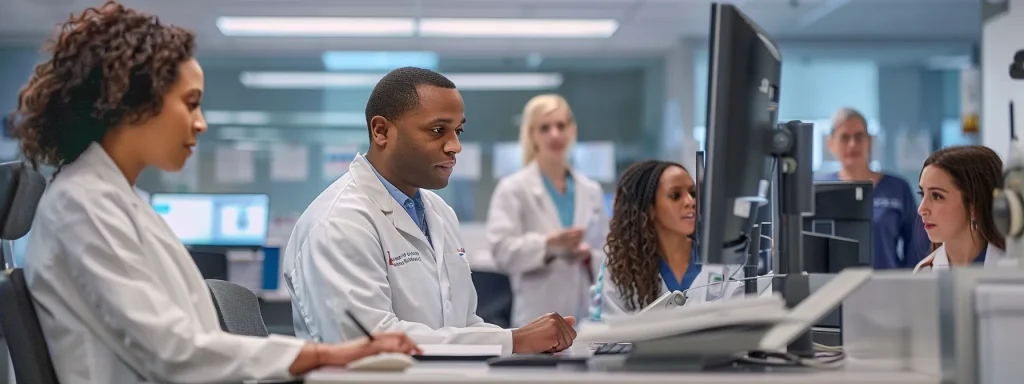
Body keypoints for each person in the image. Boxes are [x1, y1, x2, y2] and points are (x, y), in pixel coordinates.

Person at [7, 3, 420, 383]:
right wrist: (322, 355)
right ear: (130, 101)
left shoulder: (112, 199)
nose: (201, 123)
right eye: (190, 104)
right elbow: (175, 352)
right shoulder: (83, 205)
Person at [283, 67, 577, 356]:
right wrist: (513, 341)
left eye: (458, 130)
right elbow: (370, 344)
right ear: (381, 131)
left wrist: (521, 340)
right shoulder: (337, 222)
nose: (455, 146)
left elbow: (463, 324)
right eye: (438, 130)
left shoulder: (439, 213)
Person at [484, 94, 609, 327]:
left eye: (561, 126)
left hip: (585, 310)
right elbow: (501, 251)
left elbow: (606, 249)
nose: (555, 134)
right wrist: (548, 246)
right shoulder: (513, 188)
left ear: (572, 130)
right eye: (545, 127)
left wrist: (588, 254)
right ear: (532, 134)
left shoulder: (590, 190)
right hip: (535, 314)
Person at [589, 160, 750, 321]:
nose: (690, 202)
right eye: (675, 196)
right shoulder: (621, 268)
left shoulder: (721, 261)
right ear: (649, 209)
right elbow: (612, 335)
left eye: (693, 194)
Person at [821, 107, 928, 269]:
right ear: (831, 144)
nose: (852, 144)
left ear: (869, 140)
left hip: (887, 288)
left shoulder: (897, 188)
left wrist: (909, 283)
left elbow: (916, 245)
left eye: (859, 136)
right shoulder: (821, 190)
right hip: (835, 287)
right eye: (844, 137)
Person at [914, 146, 1012, 271]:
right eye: (922, 194)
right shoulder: (924, 271)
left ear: (974, 207)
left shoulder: (1014, 271)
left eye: (936, 196)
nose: (921, 209)